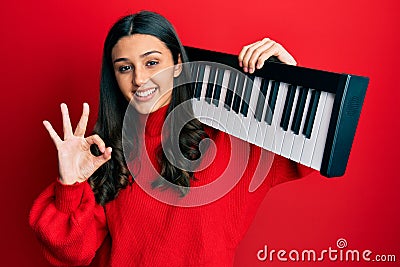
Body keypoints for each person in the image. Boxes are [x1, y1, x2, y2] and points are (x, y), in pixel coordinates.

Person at [29, 10, 310, 267]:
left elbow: (309, 153)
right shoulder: (102, 153)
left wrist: (292, 78)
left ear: (177, 64)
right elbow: (70, 253)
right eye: (124, 68)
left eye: (152, 62)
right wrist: (70, 184)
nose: (139, 79)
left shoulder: (231, 135)